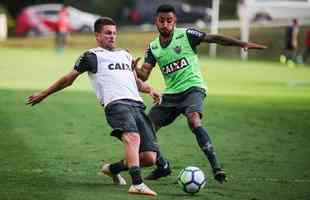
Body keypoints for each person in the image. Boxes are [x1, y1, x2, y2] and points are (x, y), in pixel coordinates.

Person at [26, 17, 162, 196]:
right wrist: (44, 93)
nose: (112, 36)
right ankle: (137, 183)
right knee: (132, 138)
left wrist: (151, 89)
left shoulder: (125, 54)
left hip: (137, 105)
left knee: (149, 157)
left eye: (114, 33)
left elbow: (136, 83)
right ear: (97, 36)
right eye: (107, 33)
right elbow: (68, 79)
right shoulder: (91, 56)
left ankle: (113, 169)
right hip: (116, 105)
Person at [134, 4, 266, 183]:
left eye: (169, 20)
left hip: (193, 89)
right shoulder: (153, 47)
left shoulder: (186, 35)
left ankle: (216, 168)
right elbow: (144, 74)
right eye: (161, 20)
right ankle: (162, 166)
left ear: (175, 21)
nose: (165, 24)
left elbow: (213, 38)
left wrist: (241, 43)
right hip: (171, 95)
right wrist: (134, 70)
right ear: (156, 22)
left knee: (193, 119)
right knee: (147, 130)